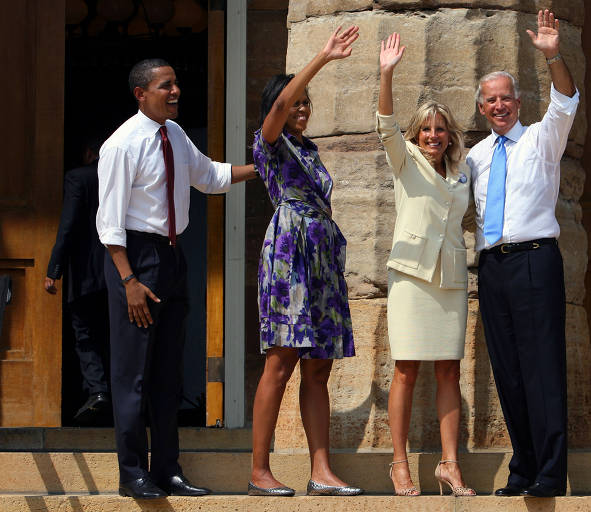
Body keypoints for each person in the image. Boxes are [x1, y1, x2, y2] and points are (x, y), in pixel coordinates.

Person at [96, 58, 258, 500]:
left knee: (168, 373)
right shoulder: (122, 145)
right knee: (134, 375)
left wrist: (262, 167)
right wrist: (129, 281)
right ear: (140, 94)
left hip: (171, 257)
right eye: (165, 86)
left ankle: (167, 469)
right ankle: (132, 472)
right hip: (135, 259)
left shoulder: (177, 136)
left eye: (176, 84)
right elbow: (108, 225)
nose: (175, 91)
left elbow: (210, 177)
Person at [466, 10, 579, 498]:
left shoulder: (541, 138)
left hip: (535, 260)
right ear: (481, 109)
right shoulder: (475, 156)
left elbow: (566, 101)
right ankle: (523, 466)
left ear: (517, 101)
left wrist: (553, 55)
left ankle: (551, 472)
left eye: (505, 97)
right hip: (492, 266)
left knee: (542, 367)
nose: (499, 106)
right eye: (490, 100)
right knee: (508, 371)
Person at [248, 26, 362, 497]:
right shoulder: (268, 141)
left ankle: (322, 471)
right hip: (289, 256)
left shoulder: (310, 150)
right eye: (296, 101)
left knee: (319, 366)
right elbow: (276, 110)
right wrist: (322, 57)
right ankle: (259, 470)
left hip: (321, 259)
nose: (301, 108)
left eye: (306, 102)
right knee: (282, 360)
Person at [377, 33, 475, 497]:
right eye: (426, 130)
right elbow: (384, 125)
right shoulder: (406, 161)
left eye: (440, 129)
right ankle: (399, 464)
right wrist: (386, 73)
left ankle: (450, 465)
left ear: (449, 134)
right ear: (417, 134)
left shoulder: (463, 171)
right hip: (411, 278)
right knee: (405, 370)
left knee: (449, 370)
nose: (433, 136)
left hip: (452, 279)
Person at [45, 137, 111, 425]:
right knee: (116, 336)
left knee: (85, 335)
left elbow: (68, 225)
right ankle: (123, 399)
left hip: (85, 273)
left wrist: (53, 269)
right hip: (119, 273)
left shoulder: (77, 178)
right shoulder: (120, 177)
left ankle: (98, 391)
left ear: (88, 152)